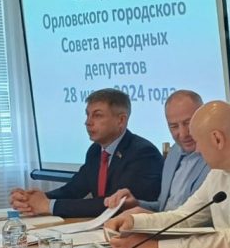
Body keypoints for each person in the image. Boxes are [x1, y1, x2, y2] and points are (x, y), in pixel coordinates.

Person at [105, 101, 230, 248]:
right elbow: (184, 216)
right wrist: (134, 222)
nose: (197, 150)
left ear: (217, 139)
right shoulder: (218, 171)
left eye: (198, 141)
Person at [9, 88, 161, 218]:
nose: (88, 122)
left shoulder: (143, 154)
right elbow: (74, 189)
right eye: (87, 115)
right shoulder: (95, 151)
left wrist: (48, 205)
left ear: (121, 120)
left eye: (97, 115)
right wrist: (33, 199)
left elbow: (114, 204)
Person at [104, 89, 209, 213]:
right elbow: (163, 207)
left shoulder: (216, 157)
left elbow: (198, 216)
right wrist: (135, 204)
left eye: (188, 123)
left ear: (203, 118)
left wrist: (150, 219)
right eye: (174, 126)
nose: (183, 133)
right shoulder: (174, 152)